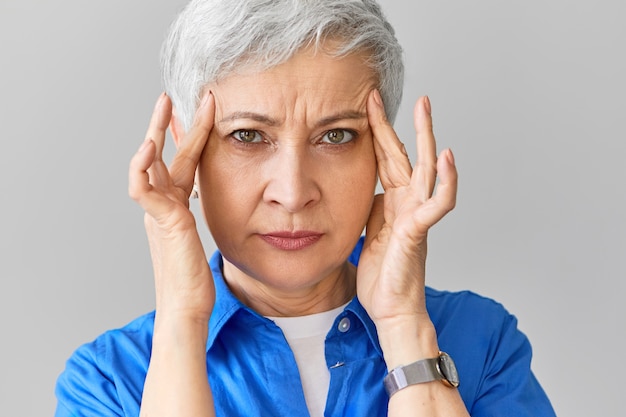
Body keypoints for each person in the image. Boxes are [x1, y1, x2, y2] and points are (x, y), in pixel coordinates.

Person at [55, 0, 556, 416]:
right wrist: (182, 323)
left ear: (383, 152)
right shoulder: (110, 382)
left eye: (336, 136)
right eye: (247, 136)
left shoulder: (483, 342)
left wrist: (404, 326)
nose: (293, 193)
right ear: (188, 149)